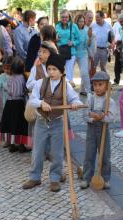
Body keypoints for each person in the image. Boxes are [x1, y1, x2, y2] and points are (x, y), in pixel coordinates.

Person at [23, 53, 82, 192]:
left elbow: (75, 99)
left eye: (54, 69)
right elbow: (32, 99)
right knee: (37, 151)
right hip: (41, 122)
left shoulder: (66, 85)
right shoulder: (40, 83)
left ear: (61, 71)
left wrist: (75, 104)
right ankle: (35, 177)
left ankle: (55, 178)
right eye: (49, 69)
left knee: (57, 153)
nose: (51, 72)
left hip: (57, 122)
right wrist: (41, 103)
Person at [80, 71, 117, 190]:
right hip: (91, 129)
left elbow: (111, 117)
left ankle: (105, 178)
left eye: (100, 84)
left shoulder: (109, 101)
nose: (97, 87)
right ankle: (86, 177)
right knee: (89, 154)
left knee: (105, 155)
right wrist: (92, 117)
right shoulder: (90, 99)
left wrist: (102, 118)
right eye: (95, 85)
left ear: (107, 86)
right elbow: (85, 115)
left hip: (103, 130)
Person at [0, 56, 30, 152]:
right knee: (15, 124)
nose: (7, 70)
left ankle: (16, 144)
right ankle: (14, 144)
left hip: (12, 104)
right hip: (13, 103)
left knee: (15, 124)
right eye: (5, 68)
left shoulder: (17, 77)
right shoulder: (7, 77)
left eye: (9, 68)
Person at [56, 10, 80, 87]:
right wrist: (56, 39)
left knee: (69, 72)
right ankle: (61, 88)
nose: (64, 19)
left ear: (69, 17)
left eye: (66, 17)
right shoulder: (57, 26)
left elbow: (79, 39)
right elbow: (54, 38)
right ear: (60, 18)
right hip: (60, 52)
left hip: (71, 52)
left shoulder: (74, 26)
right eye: (63, 17)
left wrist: (73, 43)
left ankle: (69, 89)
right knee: (60, 71)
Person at [74, 14, 91, 96]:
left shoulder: (85, 30)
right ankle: (64, 91)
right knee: (67, 73)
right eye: (80, 21)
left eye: (83, 21)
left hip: (83, 53)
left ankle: (88, 91)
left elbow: (87, 45)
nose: (81, 23)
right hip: (73, 53)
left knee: (84, 72)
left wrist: (90, 37)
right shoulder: (73, 29)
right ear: (76, 21)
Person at [84, 11, 97, 79]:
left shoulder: (91, 26)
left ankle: (88, 87)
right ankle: (85, 88)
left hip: (92, 54)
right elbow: (86, 44)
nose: (90, 19)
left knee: (90, 72)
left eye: (92, 18)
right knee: (86, 73)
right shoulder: (83, 29)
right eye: (89, 17)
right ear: (85, 18)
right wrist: (90, 54)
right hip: (87, 55)